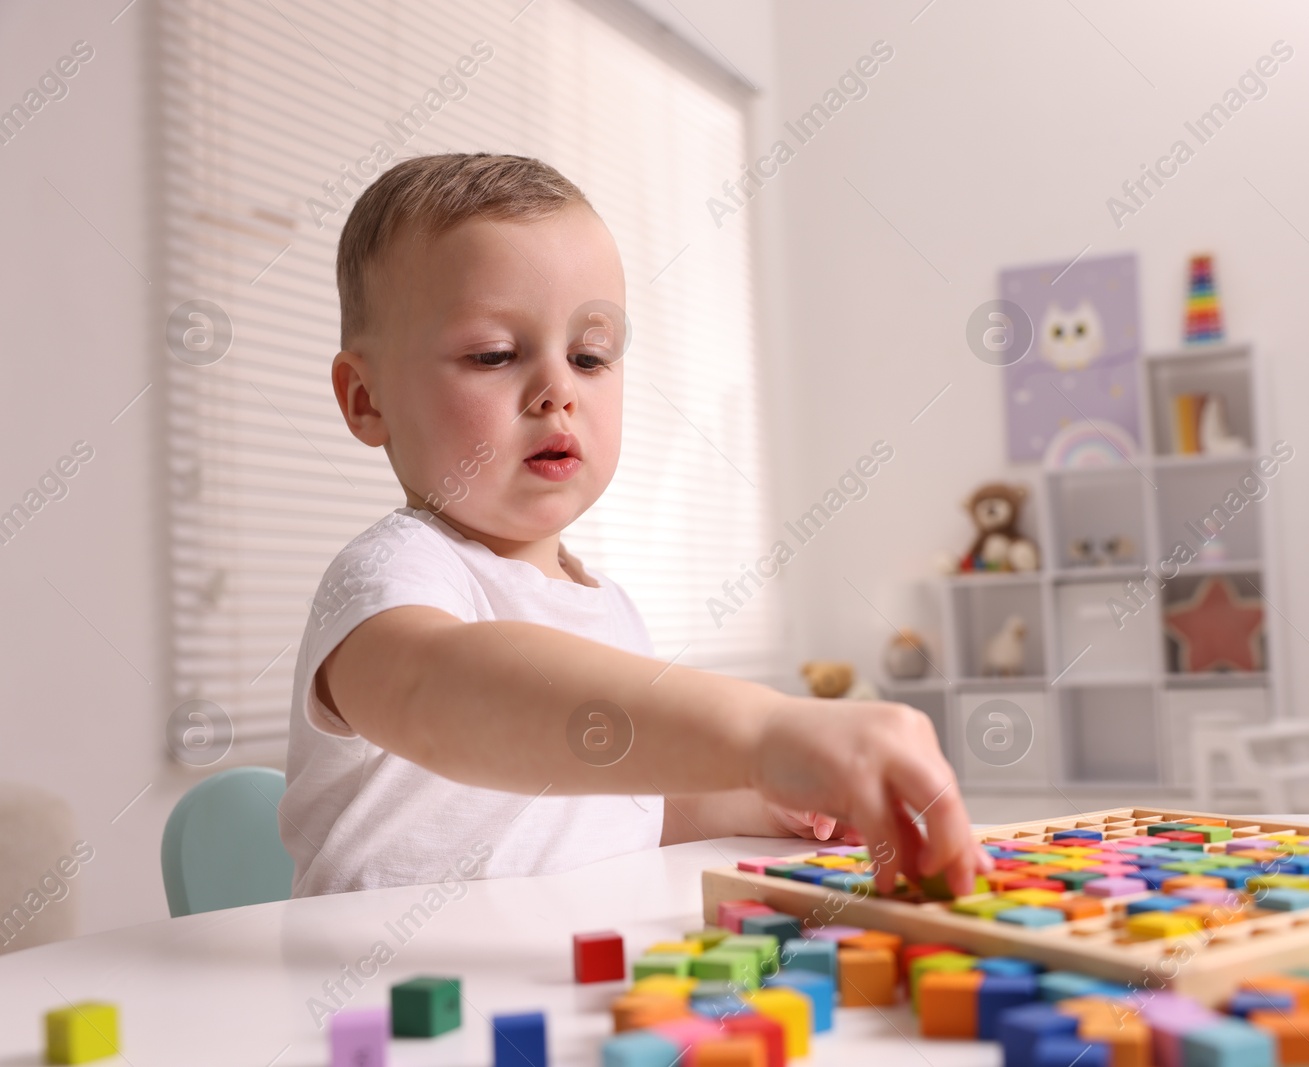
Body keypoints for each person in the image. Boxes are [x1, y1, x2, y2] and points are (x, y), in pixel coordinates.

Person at [278, 153, 988, 900]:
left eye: (590, 356)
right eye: (493, 354)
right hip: (388, 995)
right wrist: (762, 732)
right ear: (366, 398)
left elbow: (627, 807)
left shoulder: (608, 607)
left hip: (567, 984)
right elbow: (439, 692)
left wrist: (763, 798)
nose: (557, 391)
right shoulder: (391, 576)